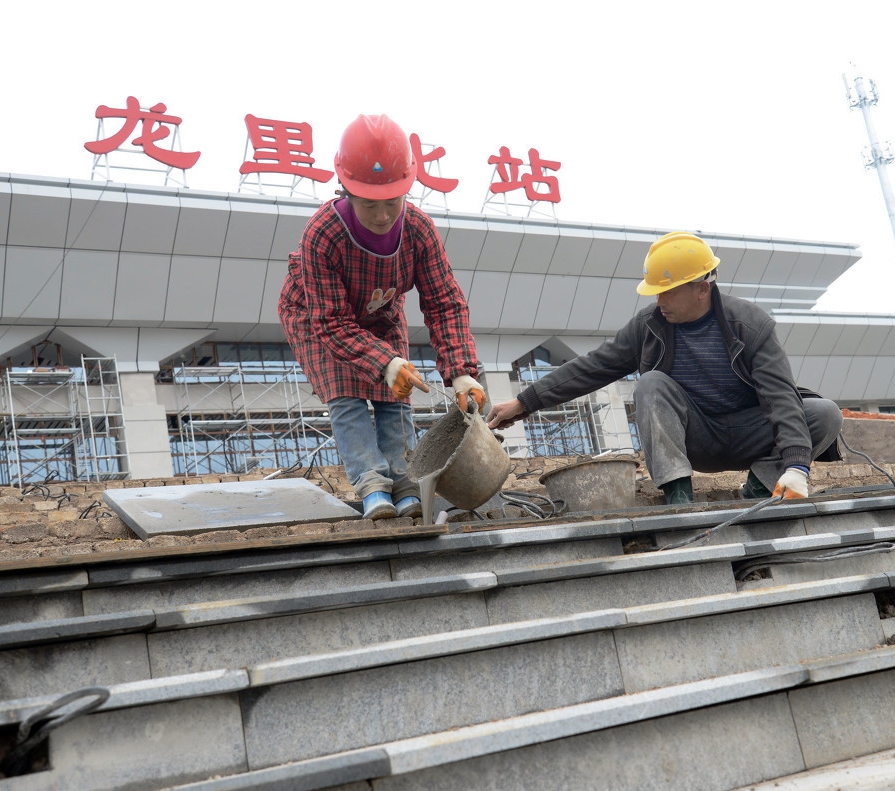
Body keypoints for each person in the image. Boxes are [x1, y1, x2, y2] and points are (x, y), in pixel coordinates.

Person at [486, 231, 842, 504]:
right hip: (696, 437)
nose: (659, 301)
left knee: (824, 413)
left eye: (666, 291)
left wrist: (796, 466)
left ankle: (758, 489)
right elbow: (593, 367)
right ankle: (678, 499)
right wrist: (525, 402)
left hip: (752, 434)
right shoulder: (648, 326)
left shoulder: (750, 325)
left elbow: (781, 398)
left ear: (701, 289)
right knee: (651, 383)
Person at [278, 114, 486, 520]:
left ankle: (407, 482)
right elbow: (332, 323)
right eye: (369, 204)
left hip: (379, 312)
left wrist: (460, 371)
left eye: (392, 202)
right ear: (346, 190)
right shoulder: (322, 234)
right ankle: (372, 484)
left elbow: (444, 302)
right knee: (348, 399)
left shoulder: (419, 231)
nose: (381, 215)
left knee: (397, 397)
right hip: (317, 317)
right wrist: (383, 361)